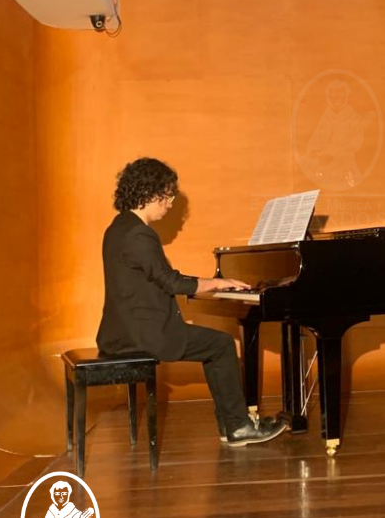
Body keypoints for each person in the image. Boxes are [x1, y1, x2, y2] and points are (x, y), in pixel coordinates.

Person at [96, 157, 286, 447]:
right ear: (150, 193)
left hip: (122, 332)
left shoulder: (118, 228)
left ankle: (233, 426)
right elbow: (171, 282)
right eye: (168, 196)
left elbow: (158, 279)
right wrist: (217, 283)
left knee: (215, 346)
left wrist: (209, 283)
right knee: (221, 345)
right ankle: (238, 427)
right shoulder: (139, 234)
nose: (170, 204)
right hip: (143, 335)